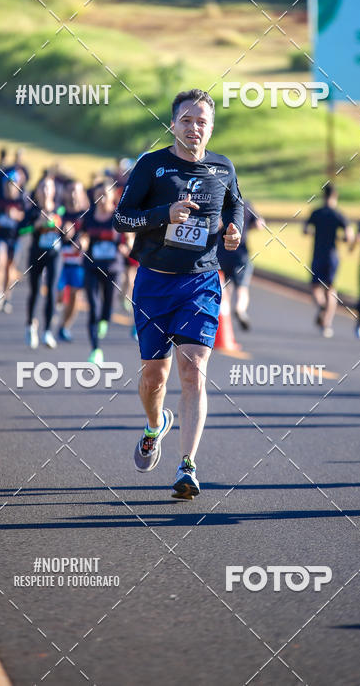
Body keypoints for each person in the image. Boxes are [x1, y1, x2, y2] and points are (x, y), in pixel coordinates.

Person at [114, 88, 244, 499]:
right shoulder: (152, 166)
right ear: (173, 124)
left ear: (210, 127)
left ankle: (187, 466)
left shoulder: (223, 167)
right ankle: (155, 426)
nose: (193, 128)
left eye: (201, 121)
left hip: (201, 282)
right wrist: (162, 215)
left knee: (193, 371)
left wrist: (233, 229)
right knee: (154, 377)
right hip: (154, 282)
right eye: (186, 121)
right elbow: (122, 217)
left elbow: (235, 205)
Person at [83, 178, 127, 364]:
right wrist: (82, 242)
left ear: (112, 197)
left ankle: (105, 320)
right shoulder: (89, 216)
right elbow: (82, 234)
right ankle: (95, 349)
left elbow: (127, 238)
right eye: (98, 196)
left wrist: (127, 245)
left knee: (108, 307)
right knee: (93, 306)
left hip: (112, 268)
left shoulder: (118, 216)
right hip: (92, 266)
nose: (101, 200)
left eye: (105, 196)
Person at [303, 183, 354, 338]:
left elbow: (305, 230)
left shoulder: (316, 212)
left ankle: (321, 307)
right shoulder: (338, 214)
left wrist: (314, 233)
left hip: (318, 254)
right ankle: (327, 324)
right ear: (335, 196)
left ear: (323, 196)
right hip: (332, 256)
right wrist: (344, 239)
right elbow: (349, 234)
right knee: (330, 289)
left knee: (315, 288)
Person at [21, 176, 63, 349]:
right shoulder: (32, 209)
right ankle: (30, 325)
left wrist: (67, 230)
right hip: (37, 253)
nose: (46, 190)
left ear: (54, 190)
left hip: (54, 254)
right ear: (38, 190)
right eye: (43, 187)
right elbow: (21, 229)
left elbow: (71, 230)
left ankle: (47, 331)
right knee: (35, 290)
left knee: (52, 290)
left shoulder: (60, 209)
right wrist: (37, 224)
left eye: (49, 187)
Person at [217, 198, 264, 330]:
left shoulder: (220, 203)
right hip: (241, 251)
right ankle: (240, 309)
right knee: (242, 286)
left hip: (221, 251)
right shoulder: (246, 205)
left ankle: (223, 315)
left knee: (224, 285)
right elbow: (259, 224)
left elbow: (216, 225)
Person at [56, 179, 88, 342]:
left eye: (77, 191)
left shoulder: (86, 213)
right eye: (71, 191)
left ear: (82, 194)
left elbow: (90, 233)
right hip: (59, 261)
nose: (74, 195)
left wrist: (84, 239)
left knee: (76, 295)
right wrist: (61, 230)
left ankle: (64, 326)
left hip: (77, 262)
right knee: (60, 295)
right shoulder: (60, 211)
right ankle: (55, 315)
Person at [0, 174, 25, 312]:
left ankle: (7, 296)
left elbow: (27, 217)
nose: (11, 188)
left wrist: (16, 215)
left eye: (14, 185)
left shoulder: (22, 200)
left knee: (11, 268)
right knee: (0, 262)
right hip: (0, 236)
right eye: (9, 185)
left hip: (14, 238)